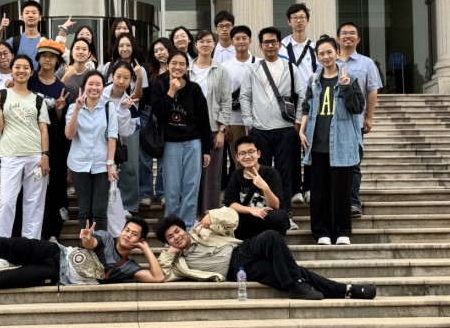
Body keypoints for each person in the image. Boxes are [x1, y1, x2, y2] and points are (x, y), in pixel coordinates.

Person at [155, 208, 377, 301]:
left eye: (177, 231)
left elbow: (232, 217)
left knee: (271, 236)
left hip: (243, 249)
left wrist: (212, 215)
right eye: (170, 237)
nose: (176, 237)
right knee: (295, 272)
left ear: (183, 229)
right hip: (238, 271)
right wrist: (168, 253)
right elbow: (160, 275)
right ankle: (347, 290)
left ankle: (296, 285)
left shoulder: (201, 231)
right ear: (168, 243)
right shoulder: (178, 263)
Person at [0, 217, 164, 290]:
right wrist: (87, 239)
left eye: (134, 235)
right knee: (3, 245)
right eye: (127, 230)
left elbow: (158, 278)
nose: (128, 235)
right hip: (55, 252)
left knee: (3, 279)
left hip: (54, 274)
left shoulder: (128, 267)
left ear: (139, 240)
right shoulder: (107, 238)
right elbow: (91, 244)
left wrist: (146, 250)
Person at [299, 37, 365, 245]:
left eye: (329, 52)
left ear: (337, 52)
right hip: (317, 144)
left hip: (342, 144)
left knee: (340, 192)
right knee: (319, 192)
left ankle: (342, 231)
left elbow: (357, 108)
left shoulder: (350, 78)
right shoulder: (313, 80)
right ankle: (321, 233)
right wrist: (301, 131)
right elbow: (307, 107)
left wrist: (346, 87)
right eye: (321, 53)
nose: (326, 57)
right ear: (317, 57)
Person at [239, 27, 305, 230]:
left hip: (285, 129)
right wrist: (249, 122)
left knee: (285, 174)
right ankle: (265, 216)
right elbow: (245, 96)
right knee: (261, 174)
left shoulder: (290, 68)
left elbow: (302, 95)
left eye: (274, 41)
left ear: (280, 44)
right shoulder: (252, 69)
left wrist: (297, 123)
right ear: (260, 45)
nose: (270, 45)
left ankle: (286, 215)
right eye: (266, 42)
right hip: (260, 129)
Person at [0, 54, 50, 267]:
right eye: (17, 67)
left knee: (34, 205)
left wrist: (45, 155)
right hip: (10, 155)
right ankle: (1, 253)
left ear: (31, 72)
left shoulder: (38, 99)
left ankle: (29, 253)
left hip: (35, 156)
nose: (21, 70)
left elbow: (43, 130)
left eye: (25, 67)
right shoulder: (3, 95)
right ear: (12, 70)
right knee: (6, 202)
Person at [151, 51, 213, 228]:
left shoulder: (194, 89)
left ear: (187, 67)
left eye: (182, 64)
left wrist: (206, 149)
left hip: (193, 143)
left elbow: (203, 120)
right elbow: (159, 113)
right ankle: (171, 225)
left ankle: (187, 225)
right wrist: (171, 91)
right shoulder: (160, 85)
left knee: (191, 186)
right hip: (170, 143)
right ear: (168, 65)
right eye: (174, 63)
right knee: (172, 188)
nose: (177, 67)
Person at [336, 22, 383, 218]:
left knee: (354, 164)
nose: (348, 36)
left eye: (352, 33)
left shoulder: (367, 63)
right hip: (332, 123)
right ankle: (336, 202)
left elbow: (372, 91)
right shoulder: (328, 61)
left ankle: (353, 202)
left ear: (358, 39)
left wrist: (369, 117)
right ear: (338, 38)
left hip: (355, 122)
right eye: (344, 33)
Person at [66, 71, 119, 231]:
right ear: (84, 87)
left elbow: (112, 136)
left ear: (103, 87)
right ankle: (85, 244)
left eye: (98, 84)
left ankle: (100, 244)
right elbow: (69, 135)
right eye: (90, 84)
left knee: (100, 210)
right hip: (79, 164)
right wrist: (77, 110)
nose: (94, 88)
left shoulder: (109, 107)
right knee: (85, 210)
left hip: (102, 164)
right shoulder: (73, 107)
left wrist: (110, 163)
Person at [28, 39, 70, 242]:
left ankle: (52, 231)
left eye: (52, 57)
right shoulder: (30, 81)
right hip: (28, 140)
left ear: (57, 61)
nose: (47, 59)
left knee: (53, 187)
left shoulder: (61, 87)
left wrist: (59, 110)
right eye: (44, 56)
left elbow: (62, 123)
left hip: (53, 144)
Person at [190, 30, 231, 214]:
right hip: (190, 130)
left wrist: (222, 130)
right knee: (192, 174)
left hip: (214, 128)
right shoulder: (187, 70)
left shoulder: (221, 70)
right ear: (196, 45)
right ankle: (192, 214)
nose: (205, 44)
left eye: (209, 41)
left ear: (214, 44)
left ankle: (210, 215)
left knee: (212, 176)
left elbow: (226, 101)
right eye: (201, 41)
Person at [281, 4, 318, 206]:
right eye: (295, 17)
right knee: (291, 146)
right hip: (290, 103)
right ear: (289, 21)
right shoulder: (282, 47)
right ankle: (295, 189)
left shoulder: (315, 47)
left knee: (310, 144)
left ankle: (310, 187)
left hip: (312, 101)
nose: (298, 21)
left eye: (302, 17)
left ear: (308, 20)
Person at [224, 135, 288, 239]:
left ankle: (275, 242)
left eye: (251, 152)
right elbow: (230, 203)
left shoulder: (271, 173)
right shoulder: (236, 175)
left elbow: (276, 205)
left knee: (278, 216)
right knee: (232, 218)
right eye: (242, 153)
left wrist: (265, 187)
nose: (247, 156)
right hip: (247, 221)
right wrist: (251, 210)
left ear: (258, 154)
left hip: (267, 218)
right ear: (237, 157)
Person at [138, 37, 177, 207]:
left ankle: (162, 192)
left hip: (167, 115)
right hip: (146, 114)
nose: (159, 53)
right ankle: (145, 193)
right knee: (144, 157)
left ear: (169, 49)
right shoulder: (147, 70)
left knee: (164, 157)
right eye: (156, 51)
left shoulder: (176, 69)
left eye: (162, 49)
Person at [103, 61, 141, 215]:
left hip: (120, 140)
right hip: (97, 139)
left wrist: (124, 109)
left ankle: (128, 206)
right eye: (118, 76)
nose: (121, 81)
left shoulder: (129, 102)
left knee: (128, 169)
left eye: (126, 78)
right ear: (112, 76)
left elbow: (126, 130)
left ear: (131, 80)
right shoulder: (100, 93)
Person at [222, 26, 258, 170]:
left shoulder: (259, 63)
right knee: (239, 159)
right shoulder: (225, 67)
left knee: (257, 158)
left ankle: (258, 183)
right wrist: (225, 123)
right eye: (237, 39)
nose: (241, 41)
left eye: (244, 38)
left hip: (258, 120)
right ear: (232, 42)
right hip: (235, 120)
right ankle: (243, 184)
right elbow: (222, 96)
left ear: (250, 41)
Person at [0, 0, 44, 68]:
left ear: (40, 17)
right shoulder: (14, 41)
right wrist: (0, 30)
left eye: (34, 13)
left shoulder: (46, 41)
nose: (30, 15)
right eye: (27, 13)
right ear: (22, 17)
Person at [60, 37, 94, 104]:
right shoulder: (62, 70)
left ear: (89, 54)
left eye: (84, 49)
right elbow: (55, 92)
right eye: (77, 49)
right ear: (71, 52)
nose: (80, 52)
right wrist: (66, 76)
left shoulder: (92, 74)